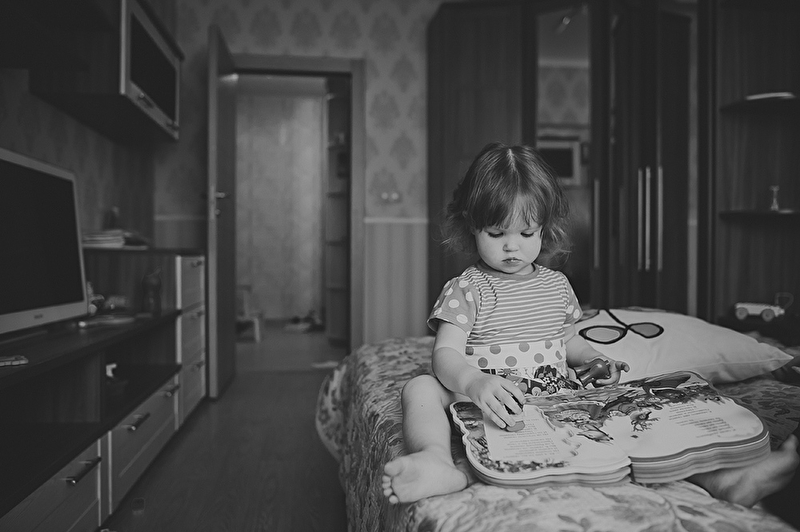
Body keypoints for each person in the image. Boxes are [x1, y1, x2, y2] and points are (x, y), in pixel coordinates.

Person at [381, 142, 799, 507]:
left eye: (526, 233)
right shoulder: (467, 288)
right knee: (419, 388)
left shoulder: (557, 285)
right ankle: (436, 460)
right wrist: (473, 382)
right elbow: (445, 354)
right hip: (487, 402)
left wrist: (595, 357)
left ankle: (725, 480)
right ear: (472, 226)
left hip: (558, 402)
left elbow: (567, 342)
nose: (511, 246)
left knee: (636, 425)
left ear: (544, 228)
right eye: (496, 233)